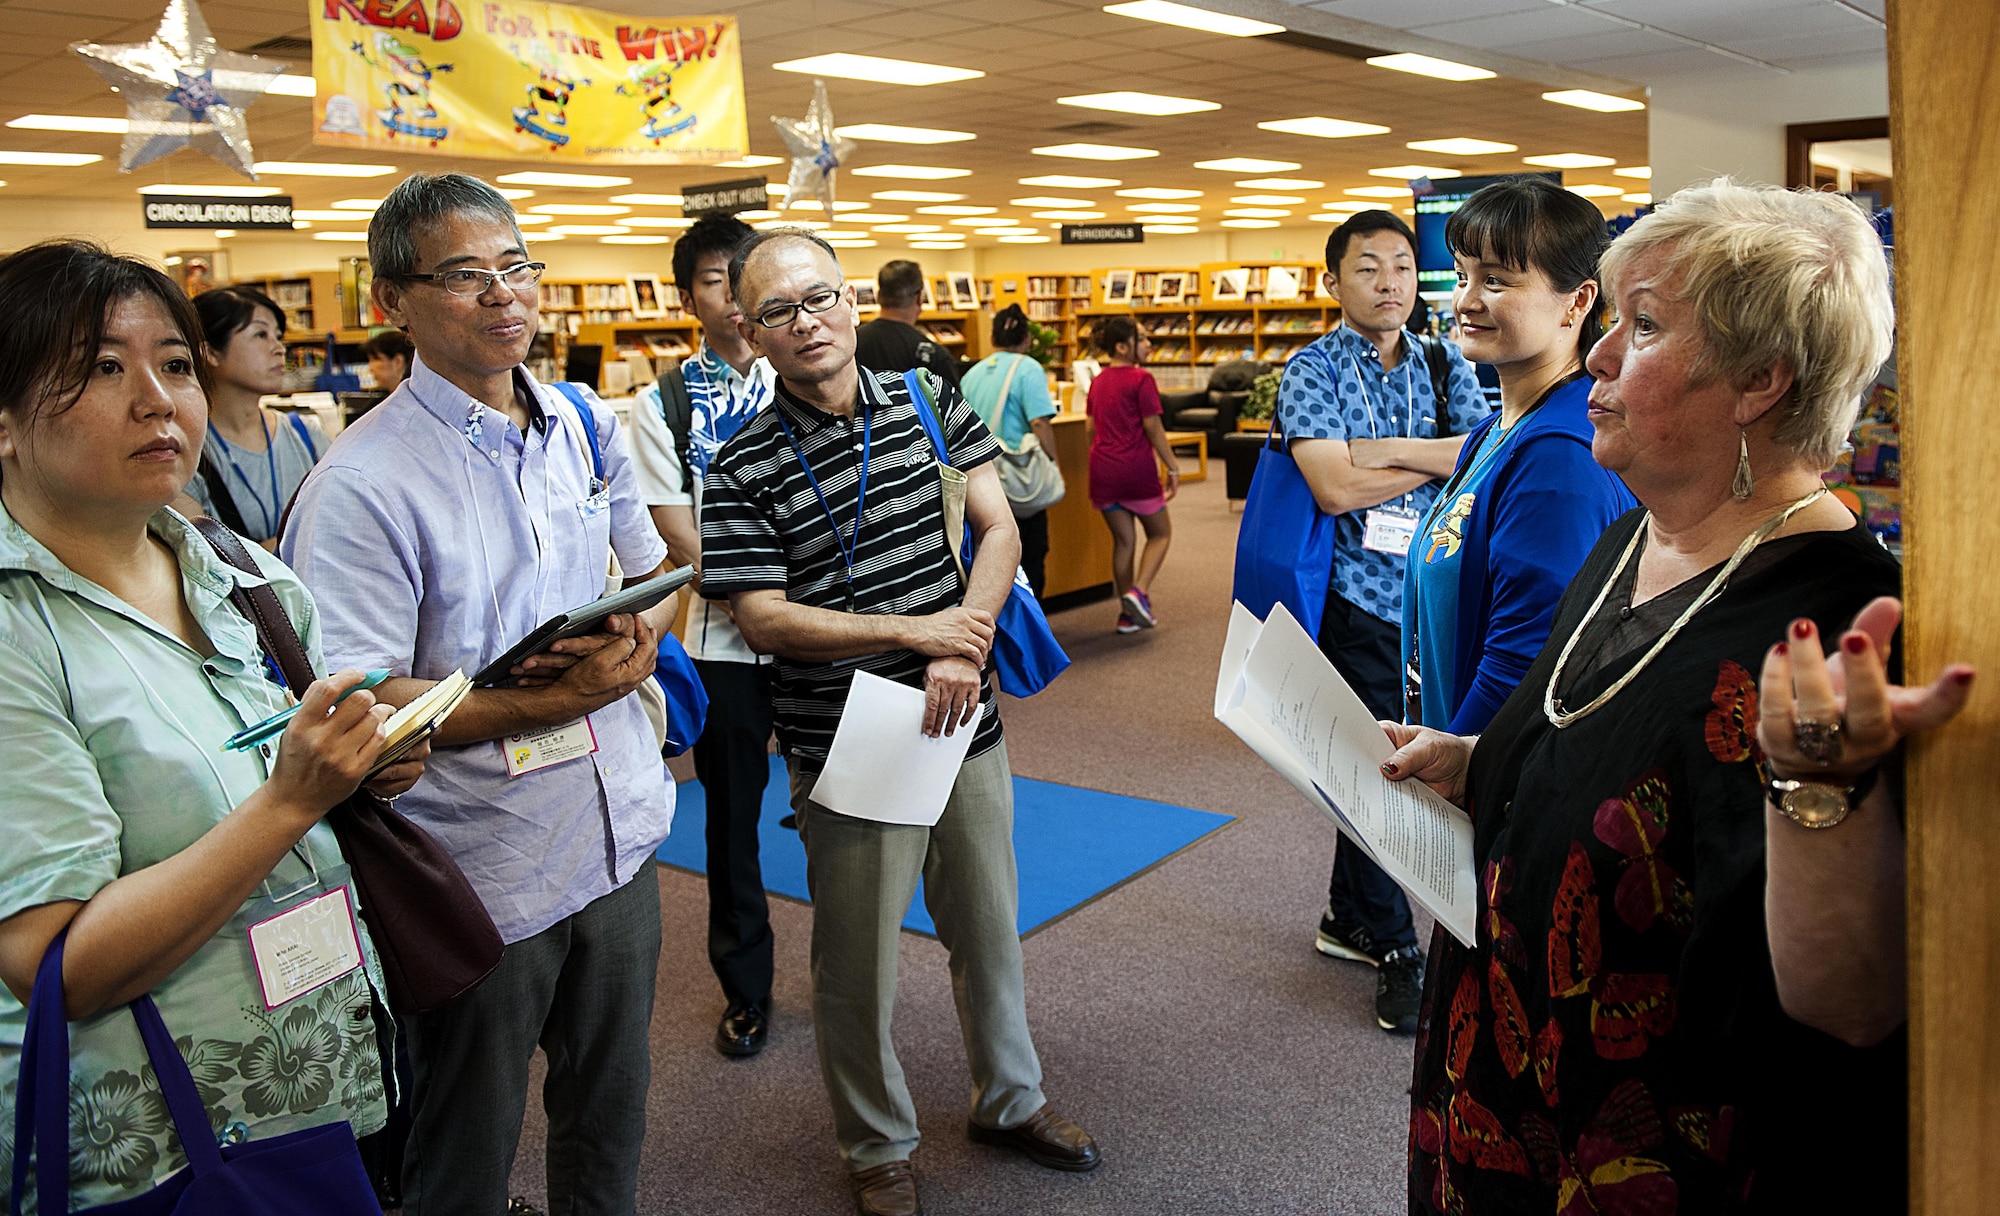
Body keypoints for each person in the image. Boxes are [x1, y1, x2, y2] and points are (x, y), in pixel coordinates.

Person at [1381, 180, 1970, 1213]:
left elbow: (1844, 1004)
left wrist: (1813, 788)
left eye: (1642, 327)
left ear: (1758, 379)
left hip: (1642, 1157)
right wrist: (1478, 761)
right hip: (1504, 1092)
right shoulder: (1630, 538)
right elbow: (1602, 746)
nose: (1598, 355)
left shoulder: (1833, 631)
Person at [280, 173, 677, 1216]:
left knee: (610, 1116)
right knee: (464, 1149)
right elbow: (356, 710)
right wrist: (566, 696)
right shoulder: (362, 485)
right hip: (478, 871)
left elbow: (648, 575)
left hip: (616, 836)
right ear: (391, 301)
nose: (504, 295)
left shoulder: (585, 423)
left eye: (516, 268)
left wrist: (634, 636)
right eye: (464, 276)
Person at [0, 240, 427, 1209]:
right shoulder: (17, 631)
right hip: (157, 1137)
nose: (159, 399)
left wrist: (360, 761)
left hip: (326, 1073)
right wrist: (290, 799)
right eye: (103, 367)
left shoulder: (248, 582)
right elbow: (55, 966)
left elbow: (286, 794)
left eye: (177, 363)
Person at [699, 229, 1099, 1216]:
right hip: (848, 731)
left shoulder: (927, 397)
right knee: (858, 958)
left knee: (986, 924)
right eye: (779, 310)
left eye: (820, 297)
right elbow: (761, 616)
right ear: (750, 332)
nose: (807, 321)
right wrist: (913, 631)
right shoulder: (741, 464)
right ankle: (875, 1144)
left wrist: (961, 645)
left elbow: (997, 527)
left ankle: (1010, 1099)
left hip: (963, 712)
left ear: (850, 301)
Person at [1276, 209, 1490, 1034]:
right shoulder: (1312, 371)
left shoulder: (1444, 359)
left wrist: (1376, 450)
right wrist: (1424, 456)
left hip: (1434, 596)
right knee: (1375, 768)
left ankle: (1346, 914)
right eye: (1368, 268)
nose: (1390, 282)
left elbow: (1480, 452)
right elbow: (1331, 489)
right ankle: (1397, 944)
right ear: (1334, 282)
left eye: (1401, 265)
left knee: (1415, 753)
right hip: (1354, 599)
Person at [1395, 178, 1637, 736]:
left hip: (1483, 773)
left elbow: (1526, 661)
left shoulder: (1558, 455)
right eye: (1463, 276)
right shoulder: (1495, 431)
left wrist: (1453, 764)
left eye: (1497, 280)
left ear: (1577, 301)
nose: (1466, 300)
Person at [629, 212, 782, 1058]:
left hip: (827, 639)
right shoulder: (664, 404)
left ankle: (847, 972)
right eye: (720, 280)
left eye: (747, 277)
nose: (738, 298)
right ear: (689, 296)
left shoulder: (809, 369)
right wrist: (774, 590)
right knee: (732, 820)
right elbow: (675, 532)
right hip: (728, 644)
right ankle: (747, 987)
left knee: (844, 807)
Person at [177, 286, 327, 548]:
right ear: (209, 353)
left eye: (278, 336)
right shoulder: (185, 453)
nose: (279, 348)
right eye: (260, 334)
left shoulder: (307, 435)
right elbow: (200, 559)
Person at [1085, 315, 1180, 633]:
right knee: (1160, 534)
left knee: (1124, 542)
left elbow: (1090, 429)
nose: (1149, 344)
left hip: (1103, 470)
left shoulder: (1098, 380)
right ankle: (1138, 592)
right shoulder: (1141, 379)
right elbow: (1154, 428)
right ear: (1123, 347)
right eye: (1142, 339)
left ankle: (1126, 615)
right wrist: (1173, 466)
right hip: (1135, 470)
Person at [959, 303, 1059, 597]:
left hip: (981, 476)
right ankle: (1032, 626)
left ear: (993, 339)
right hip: (1019, 475)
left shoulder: (972, 373)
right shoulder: (1028, 368)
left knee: (989, 552)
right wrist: (1052, 461)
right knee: (1031, 551)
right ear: (1027, 339)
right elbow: (1040, 421)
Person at [853, 258, 960, 386]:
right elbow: (954, 404)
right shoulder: (933, 355)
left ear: (878, 296)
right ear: (920, 297)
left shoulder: (852, 343)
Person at [362, 328, 414, 393]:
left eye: (376, 359)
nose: (370, 368)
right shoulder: (379, 401)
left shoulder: (417, 400)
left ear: (398, 361)